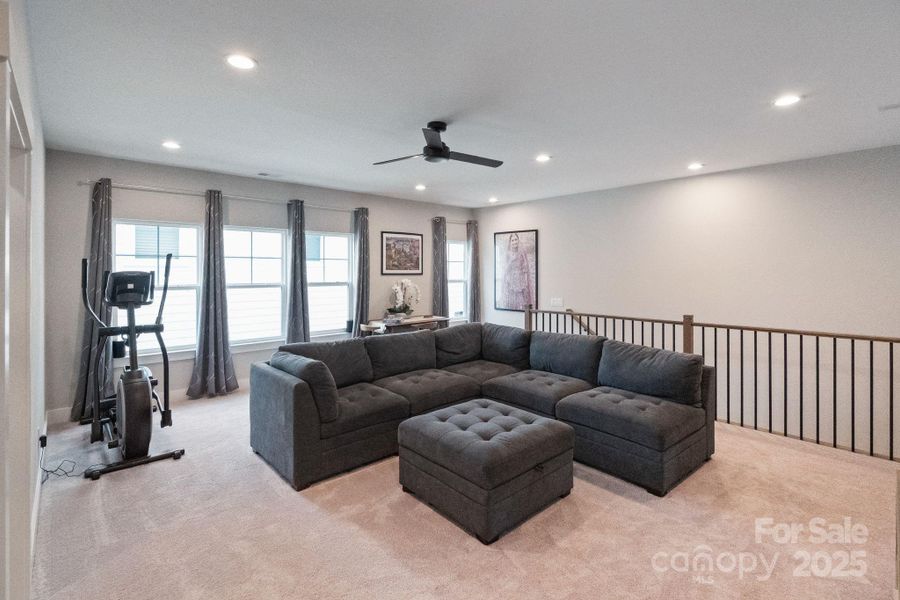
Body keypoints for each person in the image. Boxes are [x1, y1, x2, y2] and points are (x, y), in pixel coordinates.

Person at [502, 232, 534, 310]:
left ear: (518, 240)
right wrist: (511, 260)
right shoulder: (507, 254)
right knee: (512, 301)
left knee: (521, 301)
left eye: (516, 239)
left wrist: (525, 280)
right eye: (512, 240)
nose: (514, 242)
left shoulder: (522, 253)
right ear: (510, 242)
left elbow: (525, 268)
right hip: (511, 280)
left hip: (520, 280)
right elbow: (506, 269)